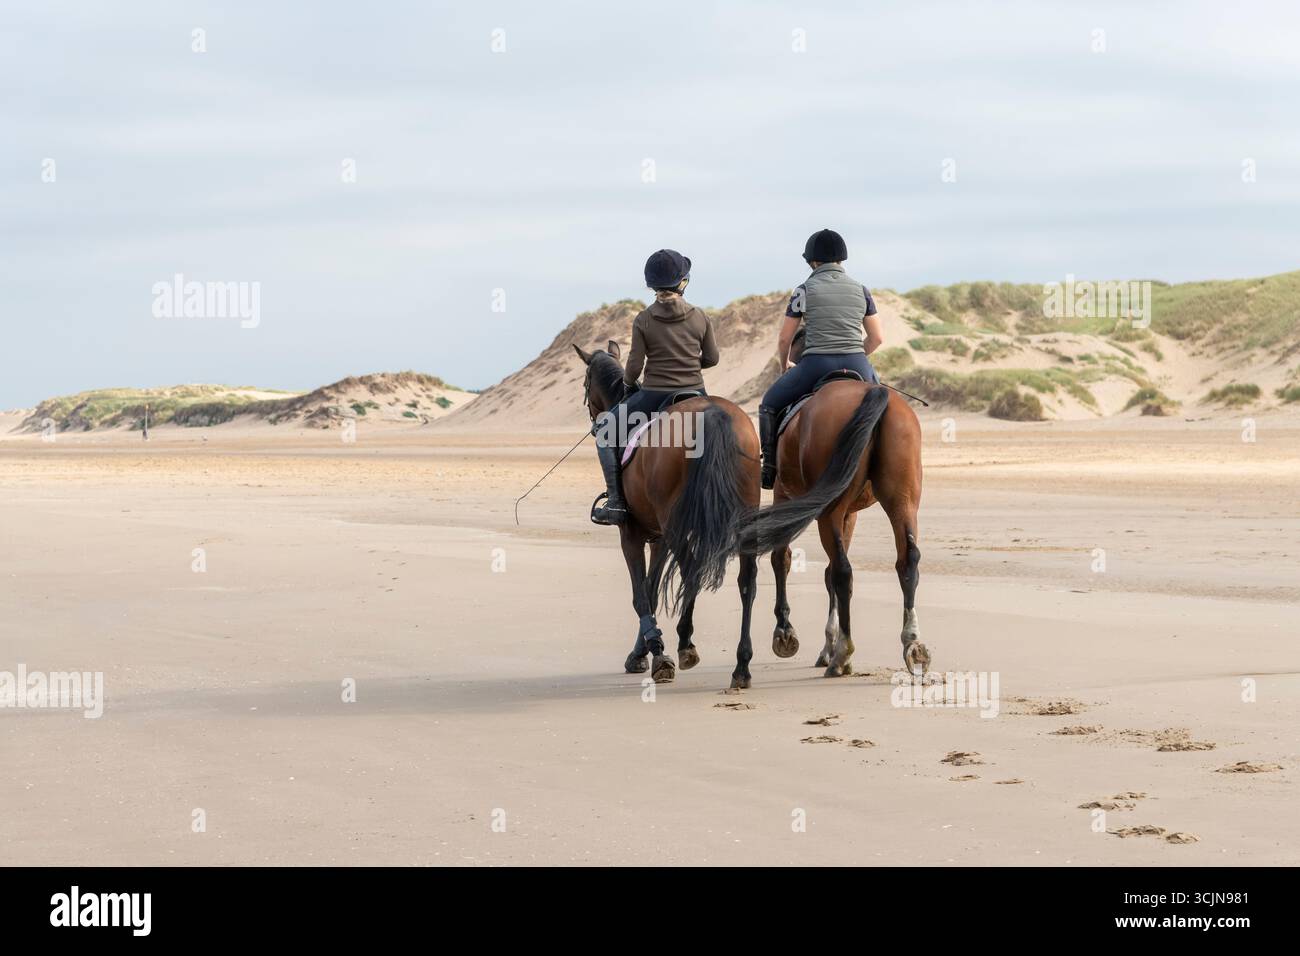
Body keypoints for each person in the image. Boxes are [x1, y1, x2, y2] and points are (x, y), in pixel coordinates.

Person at [590, 249, 720, 524]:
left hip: (653, 394)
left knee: (604, 431)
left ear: (652, 285)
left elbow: (634, 366)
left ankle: (615, 503)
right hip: (696, 392)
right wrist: (690, 366)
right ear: (682, 282)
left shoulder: (644, 319)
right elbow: (712, 358)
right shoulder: (700, 317)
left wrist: (627, 385)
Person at [758, 228, 883, 489]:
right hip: (858, 362)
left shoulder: (803, 290)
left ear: (812, 262)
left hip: (816, 365)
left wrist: (785, 366)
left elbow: (784, 340)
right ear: (841, 260)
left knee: (769, 403)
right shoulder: (862, 290)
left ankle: (769, 468)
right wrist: (856, 354)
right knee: (885, 403)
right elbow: (876, 339)